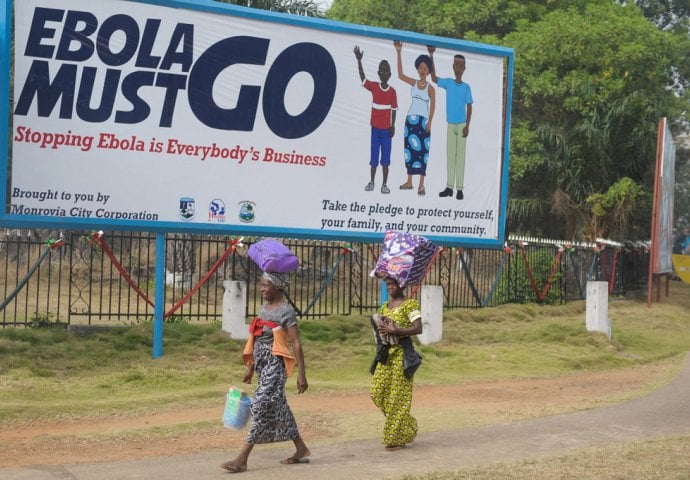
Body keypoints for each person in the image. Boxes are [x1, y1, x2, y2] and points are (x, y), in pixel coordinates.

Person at [221, 271, 310, 473]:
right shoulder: (263, 309)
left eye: (265, 285)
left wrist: (301, 373)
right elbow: (257, 338)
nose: (261, 289)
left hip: (275, 366)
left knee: (260, 405)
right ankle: (301, 448)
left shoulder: (286, 311)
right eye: (260, 285)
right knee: (280, 408)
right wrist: (250, 367)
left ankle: (242, 458)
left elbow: (296, 343)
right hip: (261, 363)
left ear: (277, 287)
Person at [369, 275, 423, 450]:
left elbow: (418, 327)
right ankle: (407, 425)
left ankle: (394, 438)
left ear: (402, 284)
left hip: (402, 355)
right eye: (388, 284)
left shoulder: (410, 304)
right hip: (386, 354)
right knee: (377, 392)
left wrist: (397, 330)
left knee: (397, 397)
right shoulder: (386, 305)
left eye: (394, 284)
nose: (391, 287)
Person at [427, 46, 473, 200]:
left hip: (461, 125)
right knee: (450, 156)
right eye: (456, 65)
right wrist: (431, 55)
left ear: (464, 68)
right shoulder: (448, 83)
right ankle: (449, 187)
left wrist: (467, 125)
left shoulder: (466, 87)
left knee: (460, 157)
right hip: (450, 124)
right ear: (453, 67)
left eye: (461, 66)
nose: (458, 68)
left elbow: (469, 106)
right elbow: (433, 78)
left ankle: (460, 189)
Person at [354, 45, 398, 194]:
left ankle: (384, 184)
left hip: (386, 130)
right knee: (374, 157)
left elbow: (394, 110)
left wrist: (393, 126)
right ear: (378, 73)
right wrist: (359, 61)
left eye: (386, 71)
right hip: (375, 129)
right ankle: (372, 181)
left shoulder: (392, 91)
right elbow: (363, 78)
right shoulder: (374, 87)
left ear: (390, 74)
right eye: (382, 70)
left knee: (385, 159)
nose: (384, 73)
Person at [394, 40, 435, 196]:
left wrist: (430, 122)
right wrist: (398, 52)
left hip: (423, 121)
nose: (422, 70)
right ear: (417, 69)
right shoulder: (414, 83)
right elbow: (400, 75)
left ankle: (421, 185)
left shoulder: (431, 88)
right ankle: (409, 181)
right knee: (409, 150)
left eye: (425, 68)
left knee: (423, 151)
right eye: (420, 68)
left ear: (429, 70)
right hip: (410, 119)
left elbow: (433, 107)